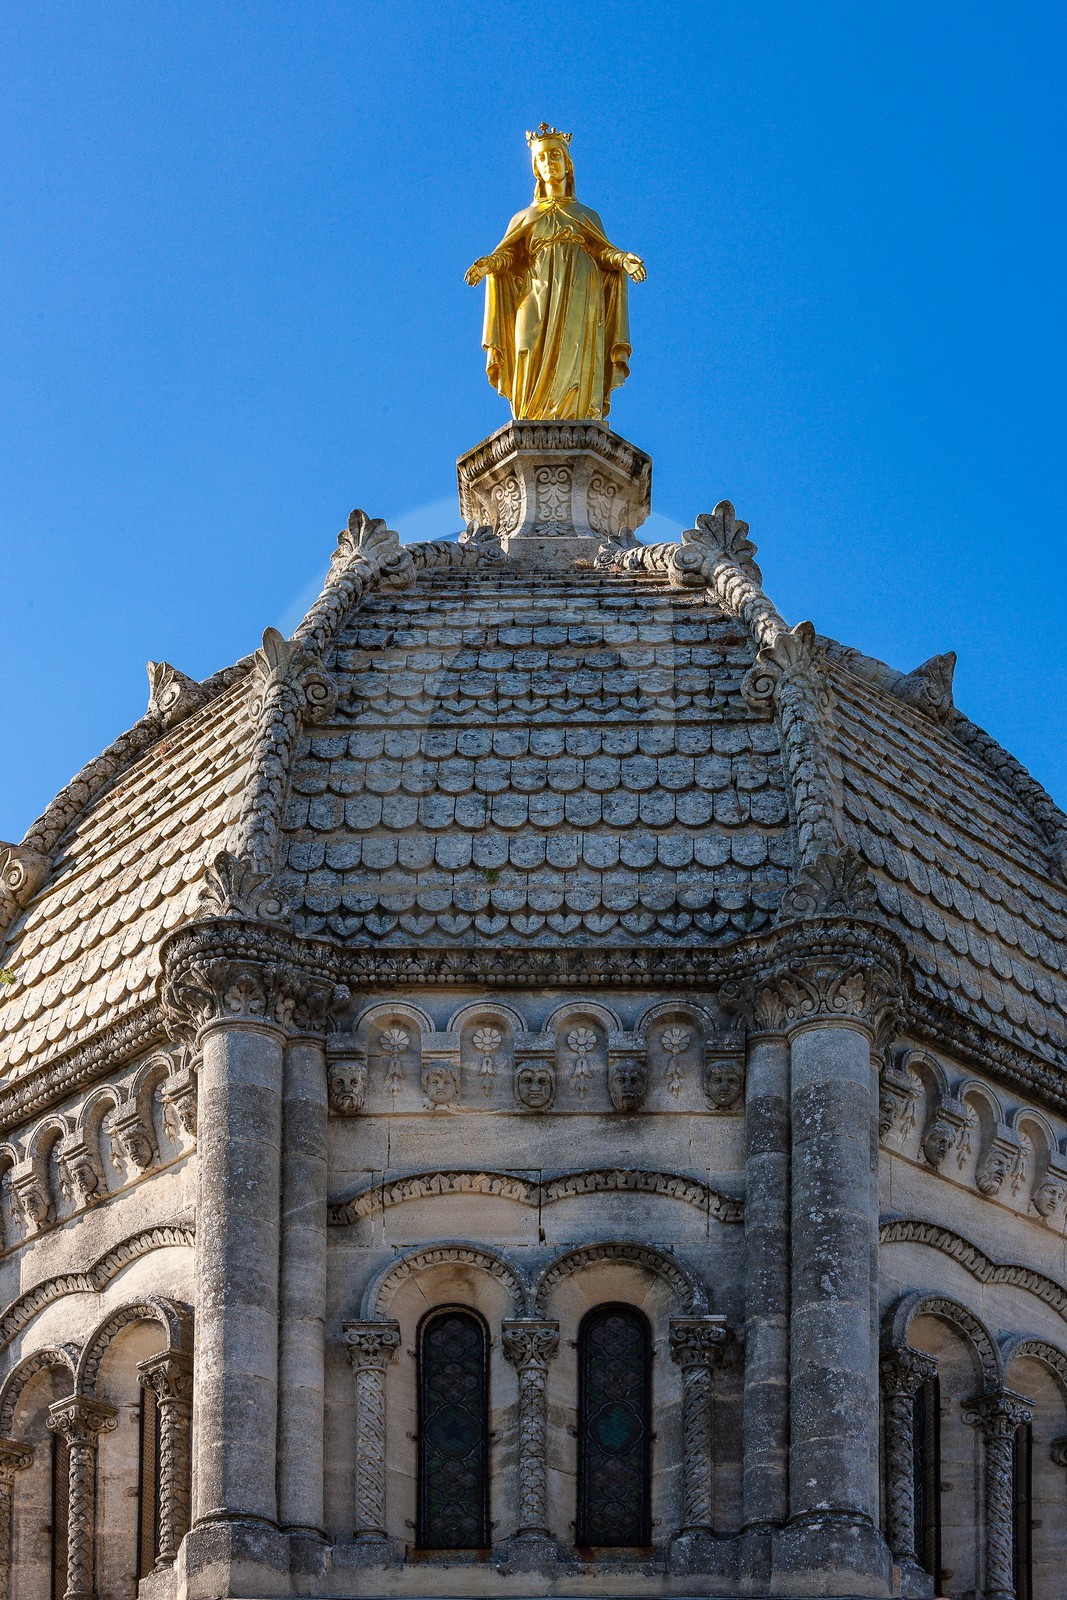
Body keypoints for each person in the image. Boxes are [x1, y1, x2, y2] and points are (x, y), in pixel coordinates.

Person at [465, 125, 646, 422]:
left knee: (576, 349)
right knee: (525, 343)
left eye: (555, 156)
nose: (549, 163)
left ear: (567, 164)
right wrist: (490, 263)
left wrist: (624, 259)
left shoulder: (586, 215)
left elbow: (602, 252)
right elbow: (509, 256)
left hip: (579, 287)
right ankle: (530, 412)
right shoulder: (525, 217)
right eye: (542, 158)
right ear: (536, 168)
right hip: (537, 287)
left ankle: (577, 410)